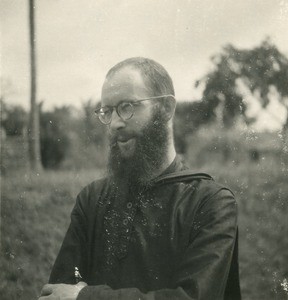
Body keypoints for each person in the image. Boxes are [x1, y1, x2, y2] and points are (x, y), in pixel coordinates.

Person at [39, 57, 241, 300]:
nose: (114, 124)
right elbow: (59, 293)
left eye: (126, 106)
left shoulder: (211, 204)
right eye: (107, 111)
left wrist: (87, 297)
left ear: (166, 108)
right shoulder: (91, 199)